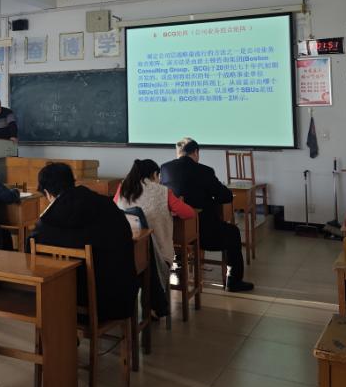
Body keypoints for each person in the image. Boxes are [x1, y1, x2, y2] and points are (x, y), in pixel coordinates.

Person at [29, 163, 137, 322]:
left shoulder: (45, 224)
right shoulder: (107, 205)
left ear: (47, 192)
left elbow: (33, 263)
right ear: (73, 181)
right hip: (122, 299)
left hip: (69, 306)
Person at [160, 138, 254, 292]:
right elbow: (226, 196)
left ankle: (179, 268)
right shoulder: (205, 171)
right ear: (196, 152)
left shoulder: (165, 169)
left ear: (178, 153)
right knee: (233, 233)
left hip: (175, 233)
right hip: (204, 233)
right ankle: (233, 281)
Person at [115, 159, 194, 316]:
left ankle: (145, 308)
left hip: (126, 254)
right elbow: (189, 213)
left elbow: (115, 209)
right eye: (159, 176)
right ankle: (152, 307)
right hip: (157, 257)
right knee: (154, 262)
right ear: (154, 175)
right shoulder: (163, 192)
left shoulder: (123, 188)